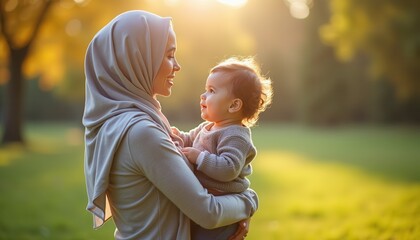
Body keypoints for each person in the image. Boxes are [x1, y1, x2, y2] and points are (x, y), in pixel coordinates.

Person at [83, 10, 258, 240]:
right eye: (169, 55)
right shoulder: (141, 132)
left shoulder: (118, 121)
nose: (177, 66)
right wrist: (249, 200)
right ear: (138, 58)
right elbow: (207, 212)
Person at [172, 57, 273, 239]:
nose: (203, 96)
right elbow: (189, 140)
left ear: (234, 105)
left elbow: (229, 168)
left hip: (224, 209)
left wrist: (199, 157)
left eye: (211, 91)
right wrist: (176, 135)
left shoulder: (236, 135)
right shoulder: (207, 127)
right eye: (205, 89)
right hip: (207, 202)